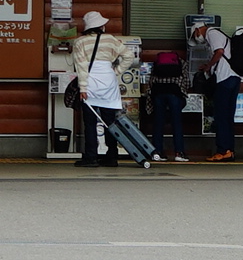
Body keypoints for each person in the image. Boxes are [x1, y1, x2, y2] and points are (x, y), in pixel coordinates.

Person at [72, 11, 156, 171]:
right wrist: (116, 71)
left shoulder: (80, 42)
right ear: (101, 26)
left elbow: (81, 67)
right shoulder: (110, 40)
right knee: (109, 122)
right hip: (109, 83)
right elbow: (129, 56)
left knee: (90, 123)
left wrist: (83, 88)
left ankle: (91, 157)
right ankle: (112, 156)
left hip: (91, 83)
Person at [189, 12, 241, 162]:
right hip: (234, 78)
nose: (197, 40)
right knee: (228, 116)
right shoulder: (219, 35)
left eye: (195, 37)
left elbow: (220, 52)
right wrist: (209, 65)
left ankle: (222, 150)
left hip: (224, 79)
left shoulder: (212, 33)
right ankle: (230, 150)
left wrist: (208, 67)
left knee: (221, 116)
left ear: (198, 30)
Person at [144, 40, 188, 162]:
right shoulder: (181, 62)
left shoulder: (157, 63)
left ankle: (157, 152)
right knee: (176, 123)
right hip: (174, 93)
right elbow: (185, 80)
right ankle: (179, 153)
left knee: (158, 123)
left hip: (159, 92)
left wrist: (150, 96)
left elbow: (151, 80)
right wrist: (183, 93)